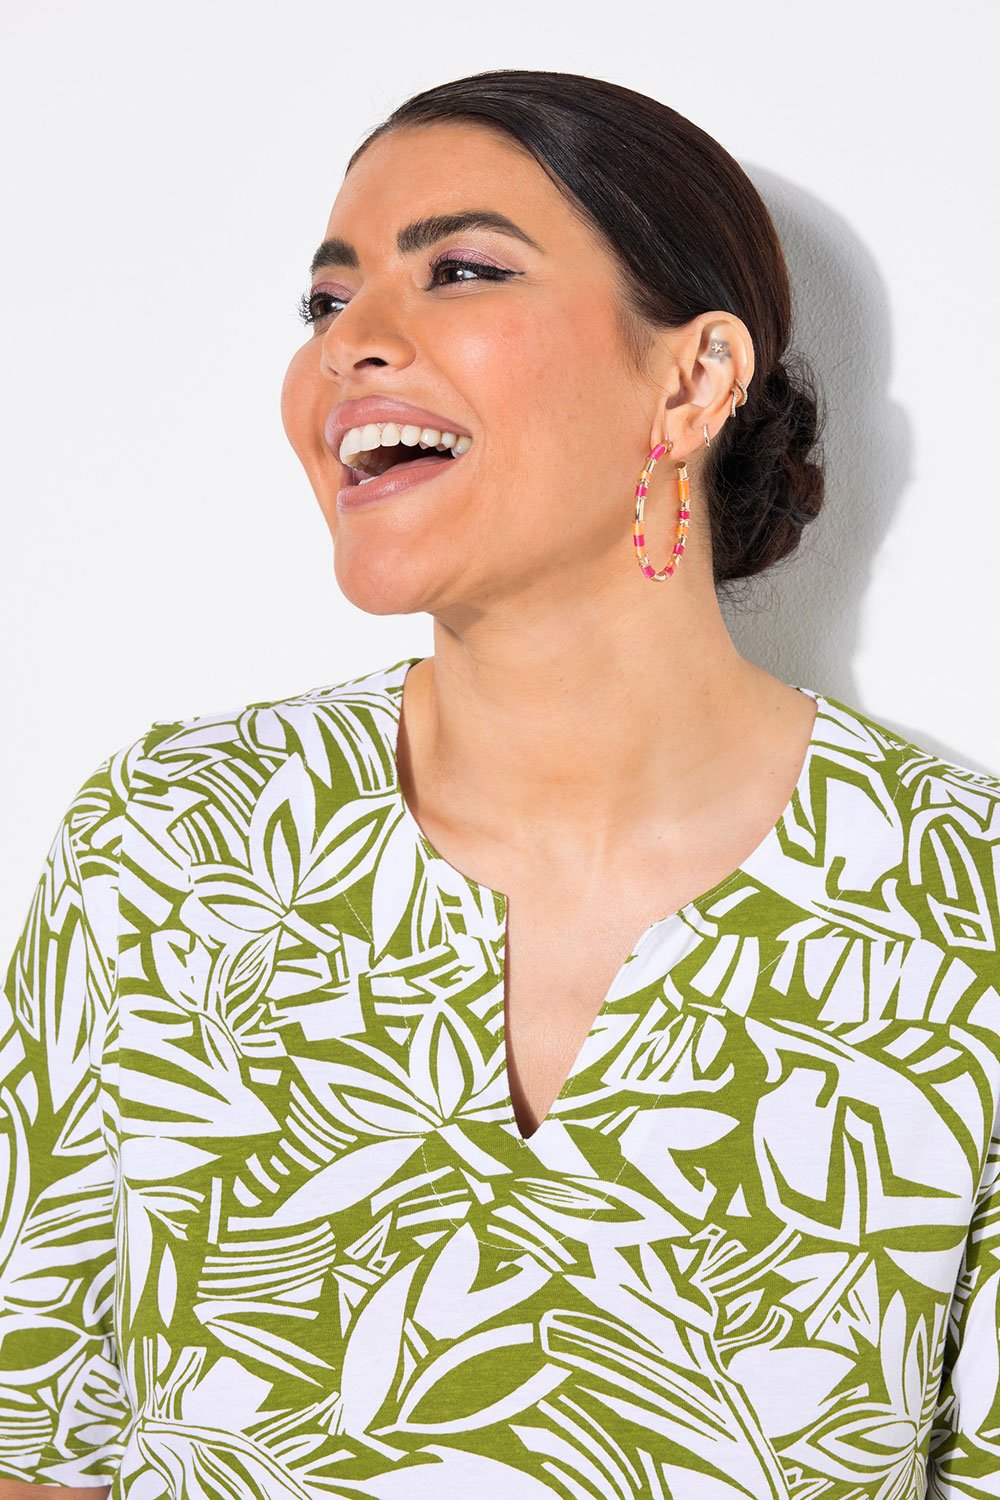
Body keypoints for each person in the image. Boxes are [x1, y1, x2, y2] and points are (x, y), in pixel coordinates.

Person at [0, 67, 997, 1500]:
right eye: (324, 301)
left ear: (692, 379)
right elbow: (37, 1444)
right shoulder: (170, 851)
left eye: (460, 270)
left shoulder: (961, 907)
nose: (349, 344)